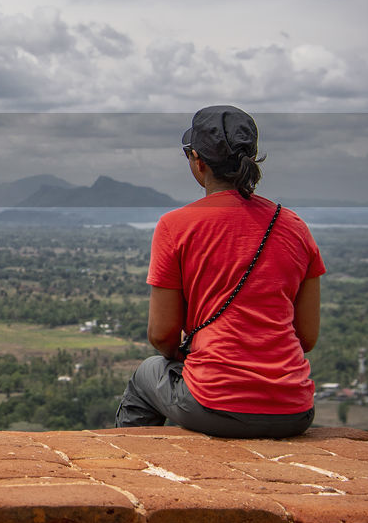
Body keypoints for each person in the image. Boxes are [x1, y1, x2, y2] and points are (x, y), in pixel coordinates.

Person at [116, 105, 322, 437]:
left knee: (148, 373)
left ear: (197, 161)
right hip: (294, 409)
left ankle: (130, 464)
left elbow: (162, 335)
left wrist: (184, 358)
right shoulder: (294, 227)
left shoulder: (176, 226)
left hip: (214, 405)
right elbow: (307, 337)